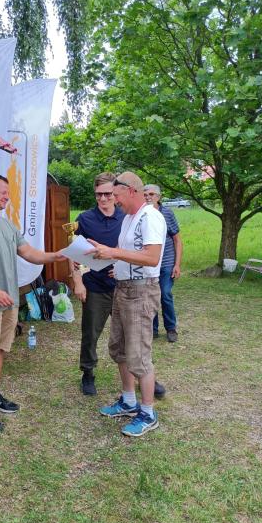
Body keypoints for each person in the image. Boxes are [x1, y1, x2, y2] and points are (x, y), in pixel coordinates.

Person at [0, 174, 66, 434]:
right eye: (3, 192)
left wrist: (60, 254)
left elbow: (30, 253)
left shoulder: (7, 226)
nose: (7, 196)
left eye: (8, 192)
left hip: (9, 301)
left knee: (1, 350)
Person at [87, 171, 166, 437]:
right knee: (119, 348)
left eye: (116, 195)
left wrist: (114, 253)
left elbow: (152, 257)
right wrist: (105, 253)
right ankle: (129, 402)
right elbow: (129, 254)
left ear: (131, 191)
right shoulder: (130, 218)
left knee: (138, 354)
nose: (114, 200)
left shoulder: (150, 217)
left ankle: (147, 412)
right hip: (123, 288)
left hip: (141, 292)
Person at [70, 172, 125, 395]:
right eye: (98, 195)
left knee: (130, 333)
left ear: (116, 193)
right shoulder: (84, 219)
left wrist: (122, 266)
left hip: (123, 286)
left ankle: (139, 373)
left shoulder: (126, 218)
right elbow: (73, 253)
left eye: (108, 194)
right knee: (91, 333)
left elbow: (135, 251)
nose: (103, 199)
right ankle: (88, 372)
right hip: (94, 286)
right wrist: (77, 282)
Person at [144, 184, 182, 342]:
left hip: (166, 262)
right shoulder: (142, 214)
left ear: (159, 197)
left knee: (165, 294)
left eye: (152, 194)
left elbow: (177, 240)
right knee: (150, 296)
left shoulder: (167, 213)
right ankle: (153, 329)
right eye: (145, 194)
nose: (148, 197)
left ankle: (171, 328)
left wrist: (177, 264)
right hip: (148, 263)